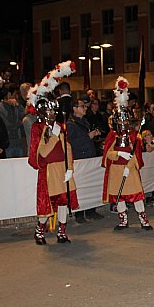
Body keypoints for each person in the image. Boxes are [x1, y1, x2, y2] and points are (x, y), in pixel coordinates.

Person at [27, 61, 78, 245]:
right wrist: (54, 136)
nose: (50, 113)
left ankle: (62, 232)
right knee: (48, 202)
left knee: (64, 201)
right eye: (47, 110)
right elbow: (40, 153)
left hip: (62, 168)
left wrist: (70, 167)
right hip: (48, 170)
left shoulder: (59, 125)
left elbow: (68, 148)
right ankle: (39, 232)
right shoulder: (37, 127)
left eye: (52, 110)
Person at [102, 77, 152, 231]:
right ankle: (123, 220)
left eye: (125, 121)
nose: (123, 124)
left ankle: (143, 220)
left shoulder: (133, 136)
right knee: (119, 197)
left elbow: (137, 154)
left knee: (137, 195)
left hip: (130, 170)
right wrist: (118, 155)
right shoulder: (112, 135)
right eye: (120, 121)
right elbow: (107, 154)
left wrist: (129, 165)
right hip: (116, 170)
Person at [67, 95, 104, 223]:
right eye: (82, 106)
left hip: (89, 156)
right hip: (79, 158)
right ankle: (79, 213)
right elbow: (71, 143)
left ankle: (91, 210)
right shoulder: (70, 124)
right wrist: (88, 136)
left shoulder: (85, 121)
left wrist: (94, 135)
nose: (85, 108)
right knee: (81, 186)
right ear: (74, 108)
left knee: (91, 184)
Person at [0, 83, 25, 158]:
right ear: (9, 94)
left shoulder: (16, 105)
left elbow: (24, 114)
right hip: (8, 143)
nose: (16, 97)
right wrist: (20, 123)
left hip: (18, 141)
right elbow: (8, 125)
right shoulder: (0, 107)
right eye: (15, 94)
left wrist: (18, 106)